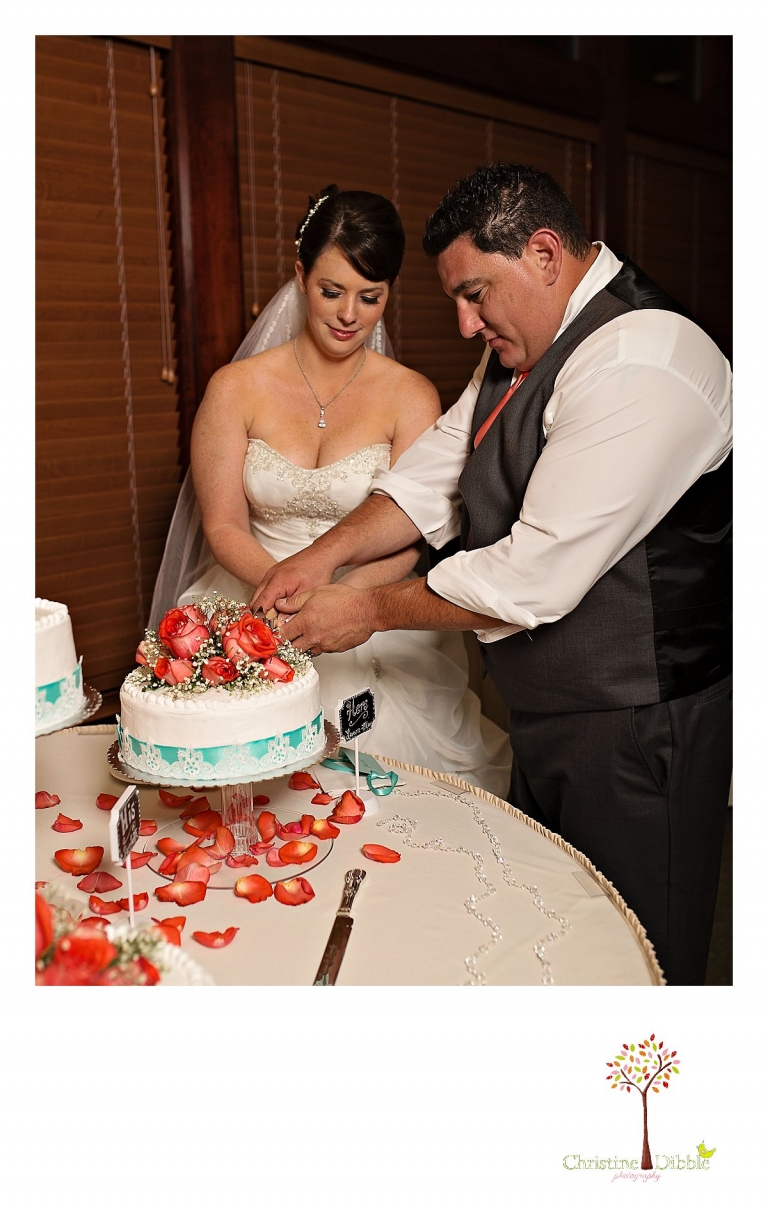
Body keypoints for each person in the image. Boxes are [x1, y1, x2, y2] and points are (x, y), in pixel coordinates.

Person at [254, 164, 732, 986]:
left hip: (640, 724)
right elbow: (435, 473)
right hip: (550, 712)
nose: (465, 322)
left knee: (643, 962)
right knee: (559, 942)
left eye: (476, 293)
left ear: (545, 253)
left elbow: (530, 578)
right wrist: (319, 554)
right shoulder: (528, 343)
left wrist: (366, 608)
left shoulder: (645, 358)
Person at [149, 185, 511, 797]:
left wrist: (340, 602)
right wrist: (282, 597)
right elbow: (224, 526)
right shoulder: (235, 389)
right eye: (331, 291)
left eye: (370, 298)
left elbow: (412, 535)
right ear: (300, 276)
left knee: (385, 785)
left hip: (366, 602)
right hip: (251, 591)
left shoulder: (411, 396)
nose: (349, 315)